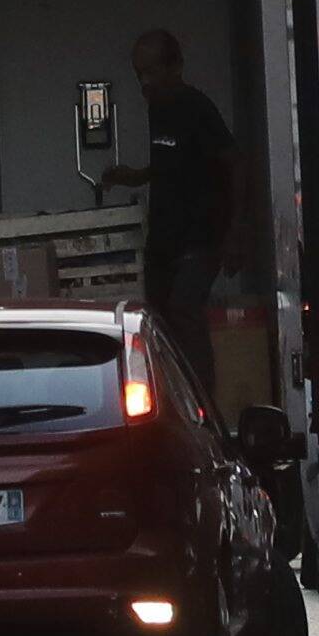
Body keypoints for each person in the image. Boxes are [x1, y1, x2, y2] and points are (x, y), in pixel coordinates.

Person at [114, 27, 236, 401]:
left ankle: (202, 404)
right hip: (164, 239)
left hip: (199, 237)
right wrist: (135, 175)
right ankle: (170, 401)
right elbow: (173, 163)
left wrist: (237, 230)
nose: (145, 83)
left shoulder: (195, 108)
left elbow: (235, 163)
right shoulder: (158, 109)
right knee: (156, 320)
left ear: (176, 67)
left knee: (185, 309)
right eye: (139, 75)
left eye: (152, 72)